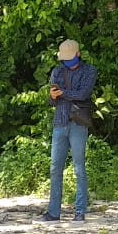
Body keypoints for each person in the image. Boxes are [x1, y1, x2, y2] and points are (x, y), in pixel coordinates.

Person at [38, 39, 97, 223]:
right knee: (55, 168)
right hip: (59, 122)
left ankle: (80, 211)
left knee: (79, 168)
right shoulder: (57, 71)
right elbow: (53, 101)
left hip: (78, 123)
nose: (66, 62)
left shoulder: (89, 71)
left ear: (78, 54)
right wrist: (52, 96)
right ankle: (53, 212)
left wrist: (62, 93)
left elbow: (83, 94)